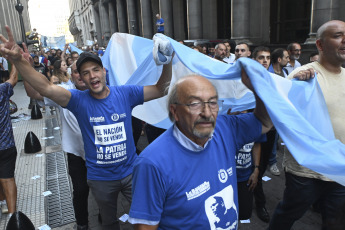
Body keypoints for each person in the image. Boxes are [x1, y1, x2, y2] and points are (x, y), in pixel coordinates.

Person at [0, 25, 173, 230]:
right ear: (80, 78)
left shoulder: (126, 93)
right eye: (85, 73)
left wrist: (167, 61)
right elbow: (44, 87)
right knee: (108, 222)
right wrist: (18, 61)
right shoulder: (78, 100)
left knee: (147, 218)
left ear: (104, 71)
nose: (92, 76)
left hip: (131, 174)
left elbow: (161, 89)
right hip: (100, 180)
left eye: (96, 70)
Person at [128, 73, 273, 229]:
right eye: (195, 103)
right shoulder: (152, 164)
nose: (207, 113)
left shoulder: (225, 128)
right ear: (175, 111)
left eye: (212, 102)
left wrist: (258, 87)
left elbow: (265, 122)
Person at [268, 20, 345, 230]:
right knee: (288, 214)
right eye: (338, 35)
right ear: (319, 45)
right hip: (306, 171)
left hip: (339, 168)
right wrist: (296, 88)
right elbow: (283, 118)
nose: (344, 40)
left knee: (335, 221)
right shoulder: (303, 76)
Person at [24, 61, 90, 230]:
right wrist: (24, 67)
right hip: (76, 154)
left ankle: (106, 216)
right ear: (71, 75)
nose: (81, 75)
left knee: (104, 191)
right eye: (76, 72)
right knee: (81, 191)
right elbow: (33, 92)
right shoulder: (65, 93)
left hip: (101, 155)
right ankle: (82, 224)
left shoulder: (104, 92)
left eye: (85, 71)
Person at [0, 62, 18, 221]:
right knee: (7, 178)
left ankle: (3, 203)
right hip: (5, 145)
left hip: (5, 146)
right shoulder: (2, 90)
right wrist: (14, 60)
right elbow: (13, 78)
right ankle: (13, 217)